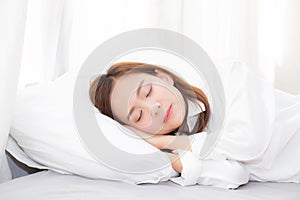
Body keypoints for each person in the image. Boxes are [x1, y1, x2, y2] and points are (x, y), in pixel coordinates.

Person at [89, 61, 300, 189]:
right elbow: (235, 175)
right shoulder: (181, 150)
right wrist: (175, 153)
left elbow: (248, 143)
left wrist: (175, 142)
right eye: (138, 116)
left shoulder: (228, 78)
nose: (154, 108)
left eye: (148, 91)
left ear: (164, 77)